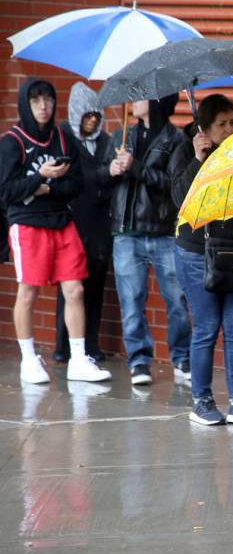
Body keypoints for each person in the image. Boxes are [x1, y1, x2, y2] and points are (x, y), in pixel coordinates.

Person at [0, 78, 111, 384]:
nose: (43, 107)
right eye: (36, 101)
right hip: (27, 224)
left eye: (48, 100)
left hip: (62, 221)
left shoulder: (63, 138)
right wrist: (41, 177)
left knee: (75, 289)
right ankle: (28, 360)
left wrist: (49, 186)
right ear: (26, 104)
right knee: (29, 292)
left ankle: (78, 359)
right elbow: (6, 190)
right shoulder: (12, 141)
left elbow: (77, 183)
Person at [170, 94, 233, 427]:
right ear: (204, 128)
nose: (230, 128)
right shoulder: (184, 150)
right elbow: (180, 199)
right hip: (197, 253)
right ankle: (202, 401)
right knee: (207, 328)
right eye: (222, 124)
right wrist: (199, 159)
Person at [101, 94, 192, 386]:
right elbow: (102, 180)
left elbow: (173, 185)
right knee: (131, 301)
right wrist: (111, 171)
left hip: (162, 231)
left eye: (141, 96)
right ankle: (139, 361)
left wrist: (137, 167)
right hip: (126, 233)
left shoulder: (175, 140)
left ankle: (181, 357)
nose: (133, 101)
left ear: (156, 101)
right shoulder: (120, 135)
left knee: (177, 300)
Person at [54, 82, 113, 363]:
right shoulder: (63, 137)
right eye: (87, 114)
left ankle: (92, 344)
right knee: (70, 288)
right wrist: (105, 173)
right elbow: (72, 178)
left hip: (100, 224)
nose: (92, 120)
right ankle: (63, 347)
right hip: (73, 222)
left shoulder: (107, 142)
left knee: (96, 287)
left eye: (96, 115)